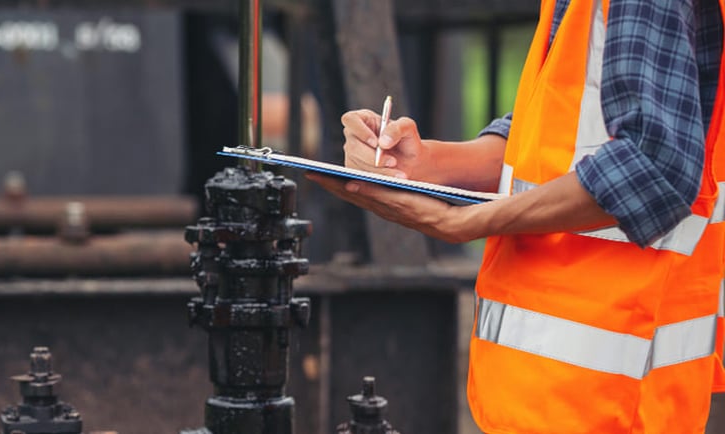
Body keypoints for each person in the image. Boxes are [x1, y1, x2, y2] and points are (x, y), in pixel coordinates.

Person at [307, 0, 725, 432]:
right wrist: (425, 163)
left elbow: (651, 165)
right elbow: (551, 141)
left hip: (610, 400)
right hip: (565, 394)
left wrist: (470, 222)